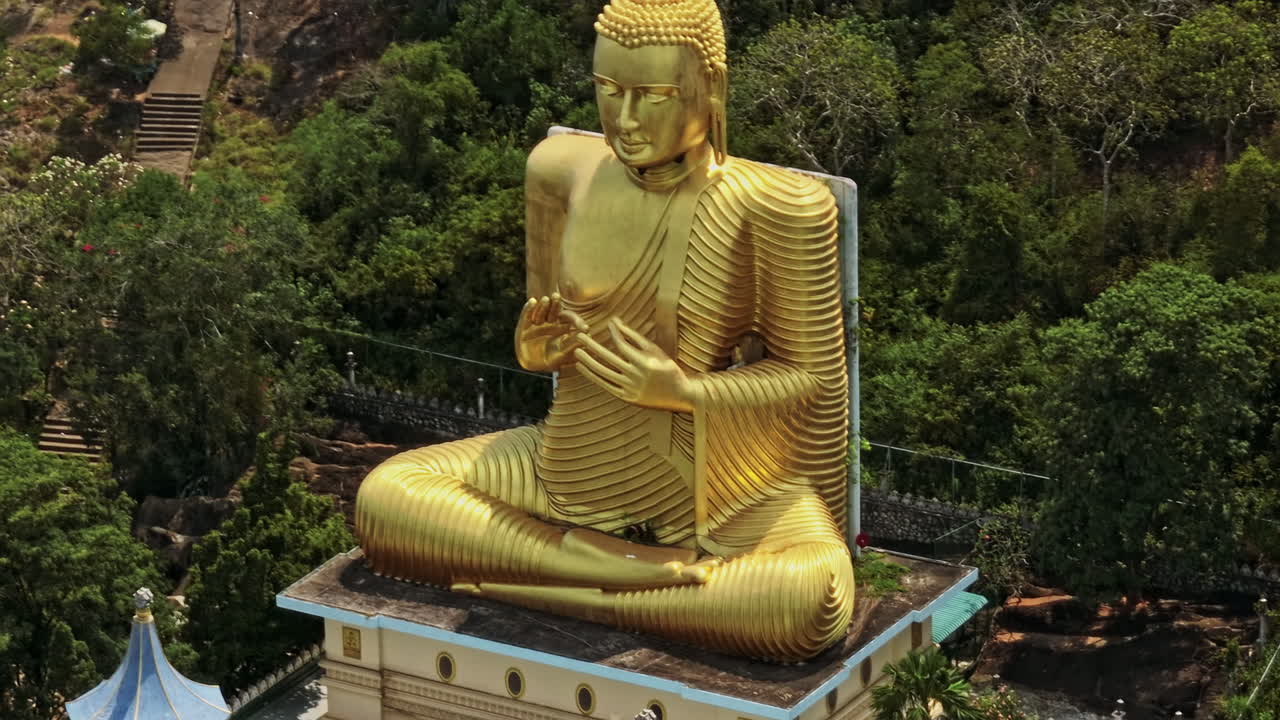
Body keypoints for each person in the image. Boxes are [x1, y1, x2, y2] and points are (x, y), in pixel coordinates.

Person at [355, 0, 853, 661]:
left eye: (651, 96)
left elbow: (814, 381)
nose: (623, 120)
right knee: (387, 499)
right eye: (608, 91)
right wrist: (535, 349)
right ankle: (626, 576)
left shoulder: (779, 207)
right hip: (567, 468)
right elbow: (546, 321)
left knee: (807, 600)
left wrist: (685, 391)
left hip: (715, 494)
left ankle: (544, 576)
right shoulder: (562, 171)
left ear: (712, 88)